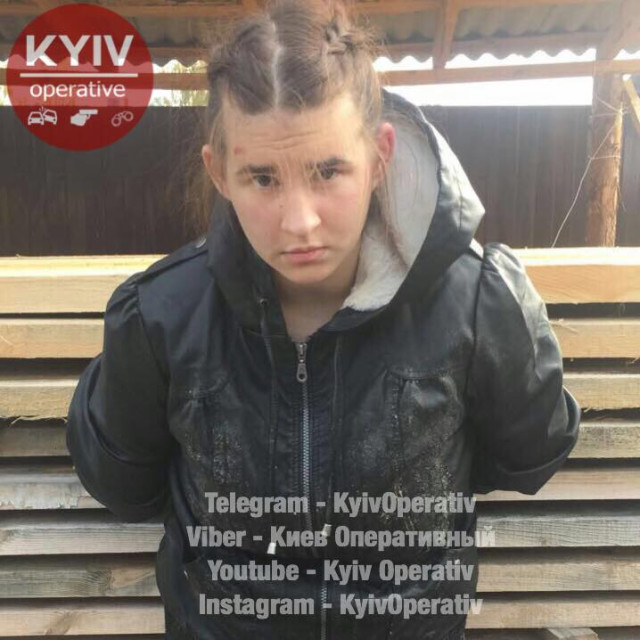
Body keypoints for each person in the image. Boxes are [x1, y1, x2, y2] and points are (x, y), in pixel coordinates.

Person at [66, 1, 582, 638]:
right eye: (262, 178)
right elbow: (122, 478)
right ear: (219, 173)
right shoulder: (161, 318)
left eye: (328, 171)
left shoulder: (478, 304)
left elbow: (528, 454)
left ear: (379, 156)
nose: (300, 222)